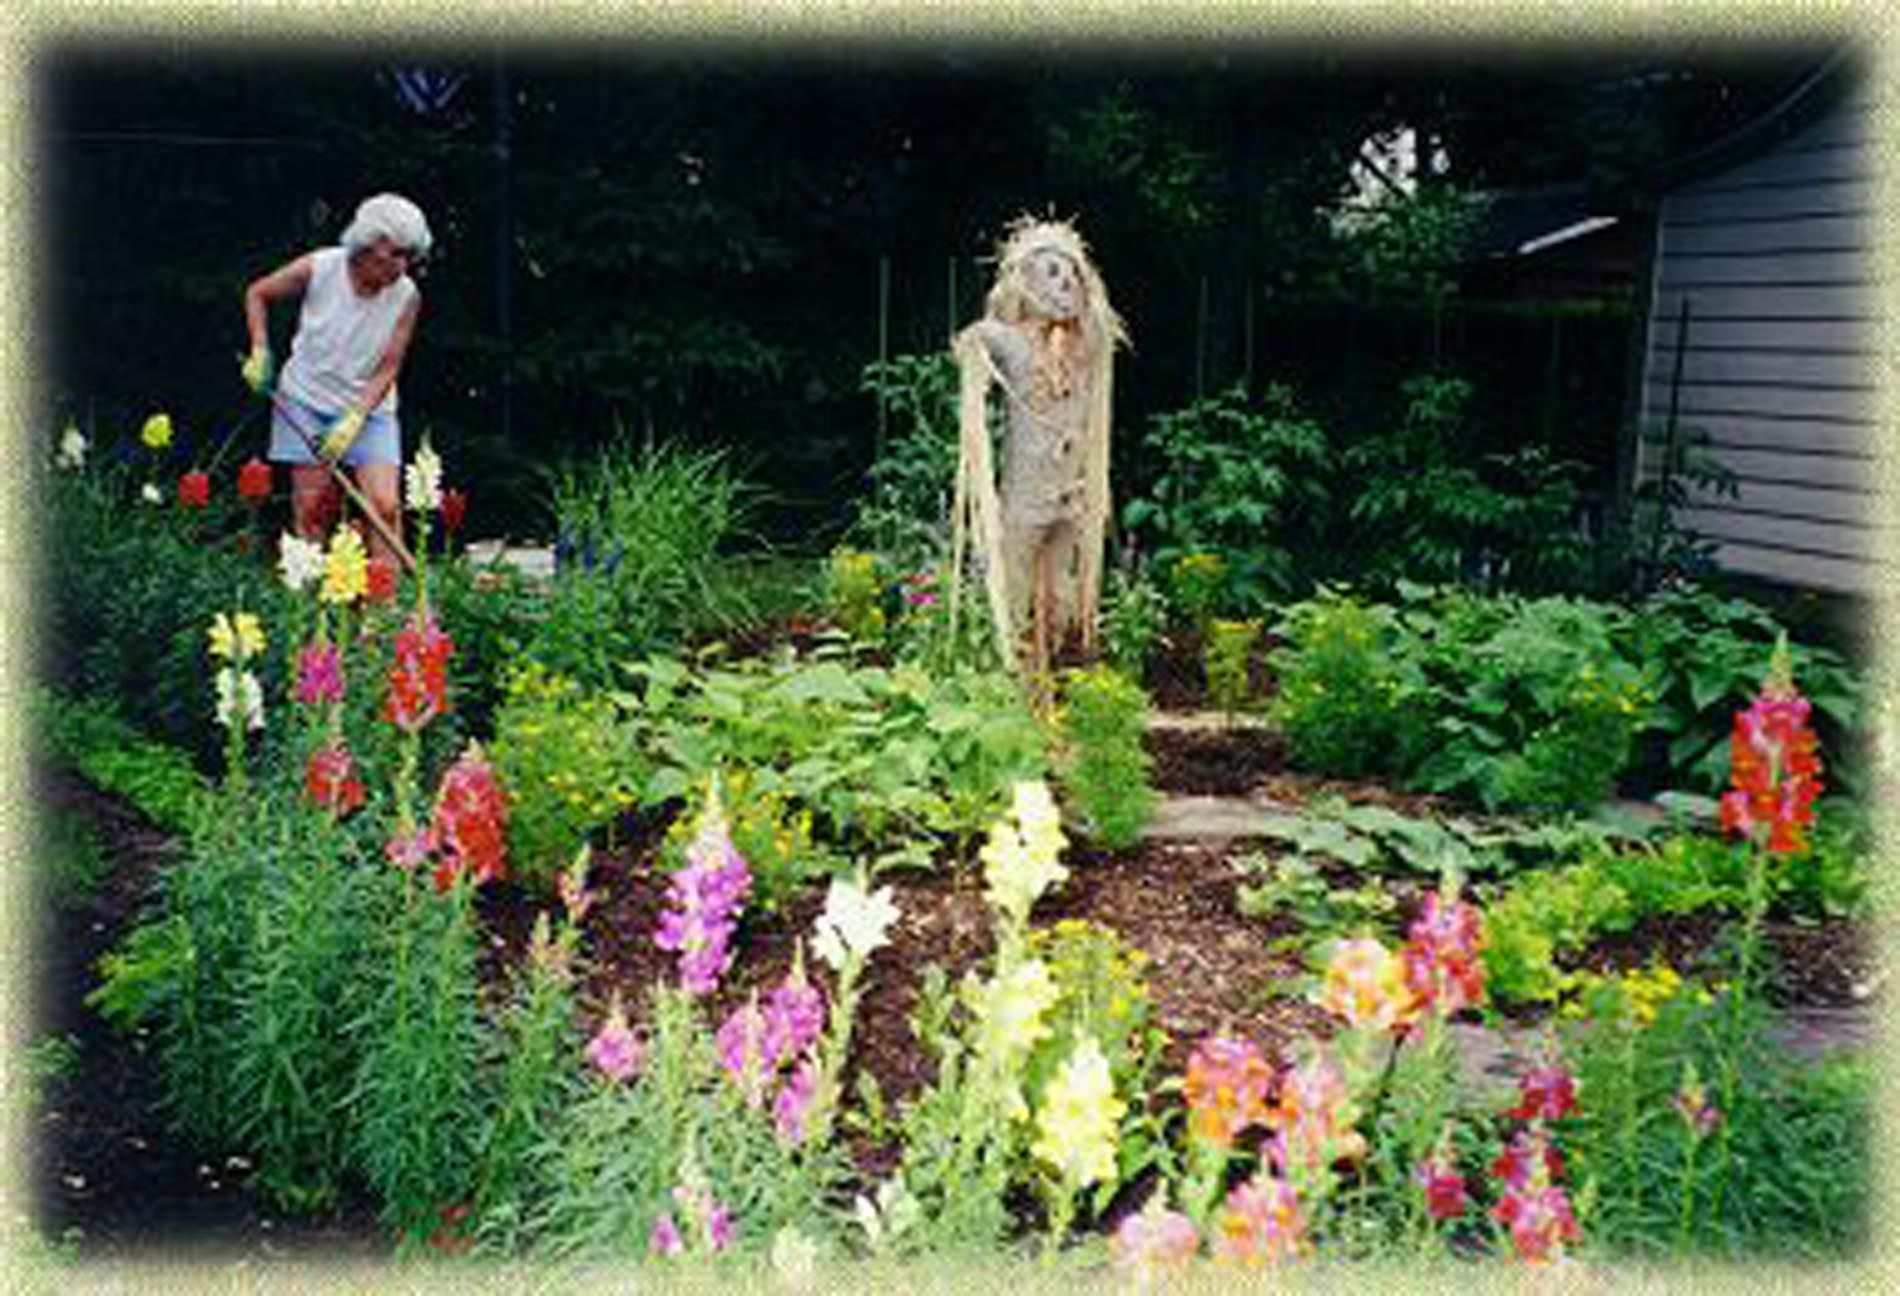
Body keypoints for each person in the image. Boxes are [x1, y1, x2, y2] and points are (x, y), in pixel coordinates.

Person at [951, 215, 1125, 699]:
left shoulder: (1086, 346)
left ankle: (1044, 688)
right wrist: (972, 345)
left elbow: (1101, 320)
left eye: (1070, 273)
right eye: (1050, 272)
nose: (1064, 281)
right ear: (1024, 282)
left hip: (1070, 500)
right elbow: (977, 337)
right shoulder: (1014, 342)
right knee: (1014, 597)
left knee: (1060, 599)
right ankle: (1008, 686)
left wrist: (1083, 278)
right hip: (1025, 505)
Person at [240, 192, 430, 566]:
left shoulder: (406, 295)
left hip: (369, 410)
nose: (402, 266)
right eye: (395, 254)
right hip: (305, 400)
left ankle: (385, 614)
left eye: (410, 256)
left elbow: (389, 366)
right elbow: (257, 293)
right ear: (366, 245)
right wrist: (260, 350)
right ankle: (313, 613)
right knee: (312, 510)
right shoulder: (321, 268)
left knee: (385, 507)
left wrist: (356, 416)